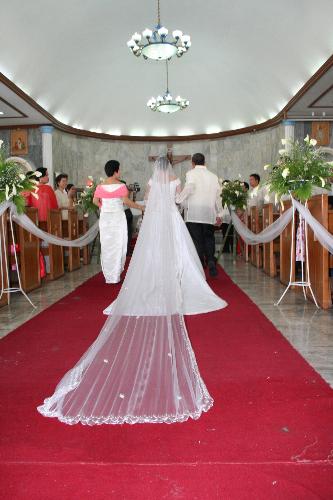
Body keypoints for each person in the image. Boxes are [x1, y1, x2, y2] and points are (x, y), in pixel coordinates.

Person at [37, 157, 227, 426]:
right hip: (172, 218)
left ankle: (148, 280)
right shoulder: (175, 180)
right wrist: (178, 198)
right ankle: (181, 278)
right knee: (180, 252)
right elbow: (178, 198)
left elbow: (149, 198)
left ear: (155, 167)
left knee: (149, 253)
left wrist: (150, 207)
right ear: (170, 167)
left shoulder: (151, 182)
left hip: (156, 218)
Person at [93, 160, 144, 284]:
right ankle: (115, 275)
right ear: (115, 171)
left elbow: (95, 201)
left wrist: (104, 208)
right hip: (117, 218)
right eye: (119, 169)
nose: (120, 172)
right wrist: (140, 207)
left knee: (107, 245)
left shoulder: (100, 186)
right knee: (118, 245)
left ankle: (109, 276)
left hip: (105, 218)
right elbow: (126, 202)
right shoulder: (121, 186)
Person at [179, 153, 222, 277]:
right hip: (208, 212)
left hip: (194, 212)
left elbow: (189, 188)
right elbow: (219, 196)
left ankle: (200, 264)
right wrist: (220, 213)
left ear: (192, 163)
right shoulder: (213, 176)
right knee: (209, 237)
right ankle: (210, 260)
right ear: (205, 162)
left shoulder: (191, 173)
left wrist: (179, 199)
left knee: (197, 240)